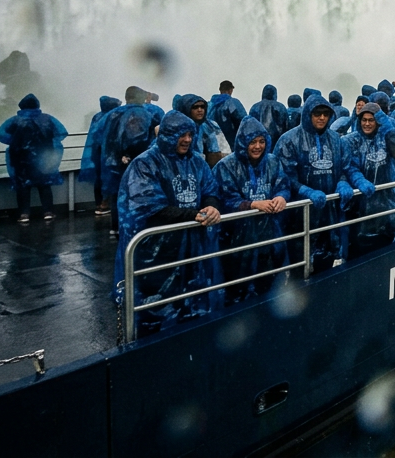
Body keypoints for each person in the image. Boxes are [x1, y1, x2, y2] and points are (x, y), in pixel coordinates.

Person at [115, 111, 222, 335]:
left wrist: (211, 206)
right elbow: (148, 208)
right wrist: (193, 215)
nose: (187, 140)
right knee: (156, 308)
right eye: (180, 135)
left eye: (190, 134)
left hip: (192, 245)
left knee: (190, 299)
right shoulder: (145, 164)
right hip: (155, 251)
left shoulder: (196, 162)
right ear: (165, 136)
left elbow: (210, 190)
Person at [273, 94, 364, 272]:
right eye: (317, 113)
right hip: (299, 215)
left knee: (326, 262)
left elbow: (346, 168)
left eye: (325, 114)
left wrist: (343, 183)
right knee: (299, 267)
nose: (322, 117)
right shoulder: (289, 140)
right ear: (308, 114)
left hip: (329, 213)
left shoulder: (336, 140)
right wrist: (305, 191)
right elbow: (282, 177)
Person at [212, 117, 291, 303]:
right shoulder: (226, 166)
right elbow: (224, 200)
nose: (258, 146)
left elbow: (282, 184)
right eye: (252, 142)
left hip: (269, 236)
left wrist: (282, 197)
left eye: (262, 141)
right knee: (237, 288)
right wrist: (253, 205)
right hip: (237, 241)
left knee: (269, 283)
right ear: (242, 143)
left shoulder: (272, 162)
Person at [343, 103, 395, 253]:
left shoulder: (386, 138)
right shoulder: (351, 140)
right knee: (365, 245)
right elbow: (348, 166)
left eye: (371, 120)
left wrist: (387, 127)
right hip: (363, 203)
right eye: (364, 120)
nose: (367, 123)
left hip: (388, 202)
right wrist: (358, 181)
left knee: (389, 246)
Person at [0, 94, 68, 223]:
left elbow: (1, 135)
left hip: (20, 159)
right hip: (43, 158)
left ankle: (24, 214)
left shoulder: (14, 120)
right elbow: (62, 132)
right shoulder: (47, 119)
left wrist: (16, 143)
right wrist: (48, 143)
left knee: (23, 186)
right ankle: (48, 212)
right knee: (44, 185)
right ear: (37, 105)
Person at [101, 86, 161, 229]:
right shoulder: (144, 114)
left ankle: (115, 228)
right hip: (139, 161)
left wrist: (117, 155)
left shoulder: (112, 114)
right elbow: (142, 138)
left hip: (115, 162)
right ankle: (138, 227)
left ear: (127, 98)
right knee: (139, 194)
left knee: (117, 194)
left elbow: (102, 137)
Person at [78, 96, 121, 210]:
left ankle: (99, 203)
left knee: (98, 178)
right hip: (110, 153)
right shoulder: (114, 116)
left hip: (96, 152)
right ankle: (107, 204)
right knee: (111, 178)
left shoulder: (97, 117)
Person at [177, 94, 231, 166]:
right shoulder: (177, 127)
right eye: (195, 107)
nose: (200, 110)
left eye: (202, 107)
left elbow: (222, 151)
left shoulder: (210, 126)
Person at [208, 80, 248, 147]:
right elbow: (244, 121)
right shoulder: (232, 102)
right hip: (231, 142)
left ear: (220, 90)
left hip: (212, 144)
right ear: (230, 90)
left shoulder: (209, 105)